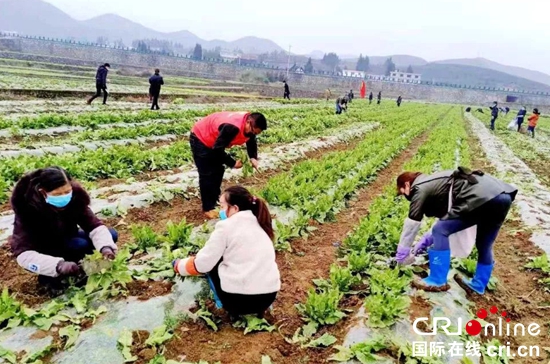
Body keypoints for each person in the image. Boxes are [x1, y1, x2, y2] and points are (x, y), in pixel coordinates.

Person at [394, 167, 517, 294]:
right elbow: (447, 220)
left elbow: (412, 223)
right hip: (503, 196)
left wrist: (402, 254)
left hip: (481, 197)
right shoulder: (436, 183)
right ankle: (478, 285)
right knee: (484, 244)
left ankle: (437, 281)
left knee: (440, 231)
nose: (405, 196)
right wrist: (425, 241)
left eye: (403, 192)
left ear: (407, 185)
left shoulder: (420, 188)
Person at [173, 186, 280, 318]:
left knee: (213, 264)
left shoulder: (226, 227)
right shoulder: (262, 224)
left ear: (235, 208)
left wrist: (179, 265)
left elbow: (203, 264)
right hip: (267, 298)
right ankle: (261, 309)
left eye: (223, 206)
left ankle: (221, 304)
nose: (220, 211)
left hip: (238, 303)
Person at [9, 167, 118, 294]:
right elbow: (23, 254)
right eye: (57, 194)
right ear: (43, 192)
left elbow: (94, 226)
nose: (64, 197)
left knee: (111, 235)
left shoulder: (75, 199)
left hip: (67, 238)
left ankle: (82, 270)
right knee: (78, 245)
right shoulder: (27, 210)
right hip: (46, 250)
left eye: (67, 192)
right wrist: (58, 265)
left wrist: (105, 247)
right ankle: (52, 278)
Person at [190, 112, 267, 219]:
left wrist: (253, 157)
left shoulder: (249, 127)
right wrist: (233, 163)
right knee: (207, 173)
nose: (253, 134)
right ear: (249, 123)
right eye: (253, 131)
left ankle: (214, 201)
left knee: (218, 170)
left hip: (215, 141)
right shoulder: (232, 128)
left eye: (256, 133)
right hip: (201, 137)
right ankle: (207, 208)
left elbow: (251, 140)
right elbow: (217, 149)